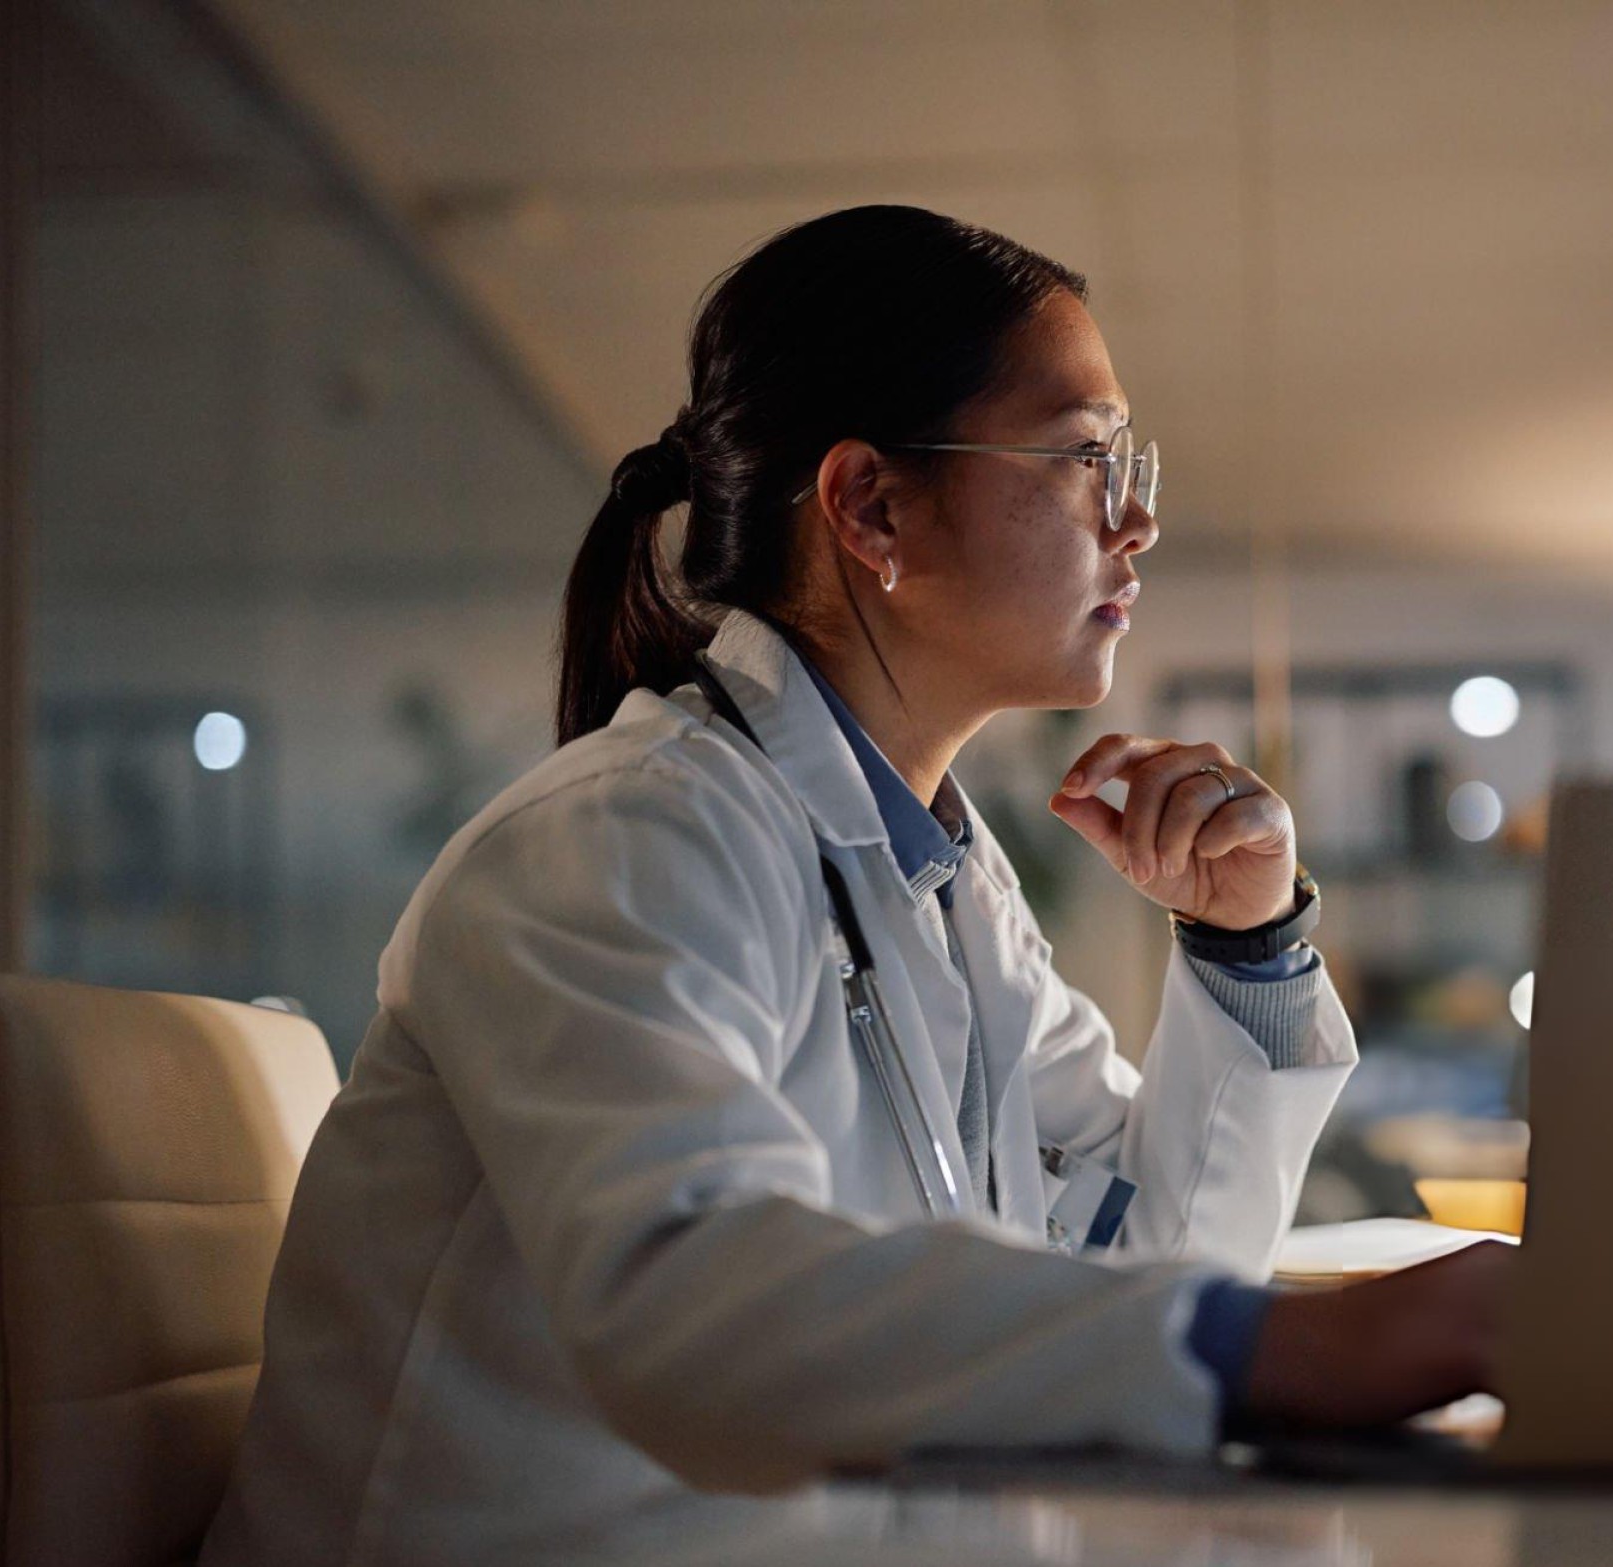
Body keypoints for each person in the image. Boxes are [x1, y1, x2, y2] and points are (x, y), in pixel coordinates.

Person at [203, 205, 1509, 1567]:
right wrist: (1276, 1347)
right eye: (1082, 460)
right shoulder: (624, 842)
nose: (1138, 522)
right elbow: (692, 1304)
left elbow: (1145, 1253)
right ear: (872, 506)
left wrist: (1249, 949)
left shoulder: (936, 880)